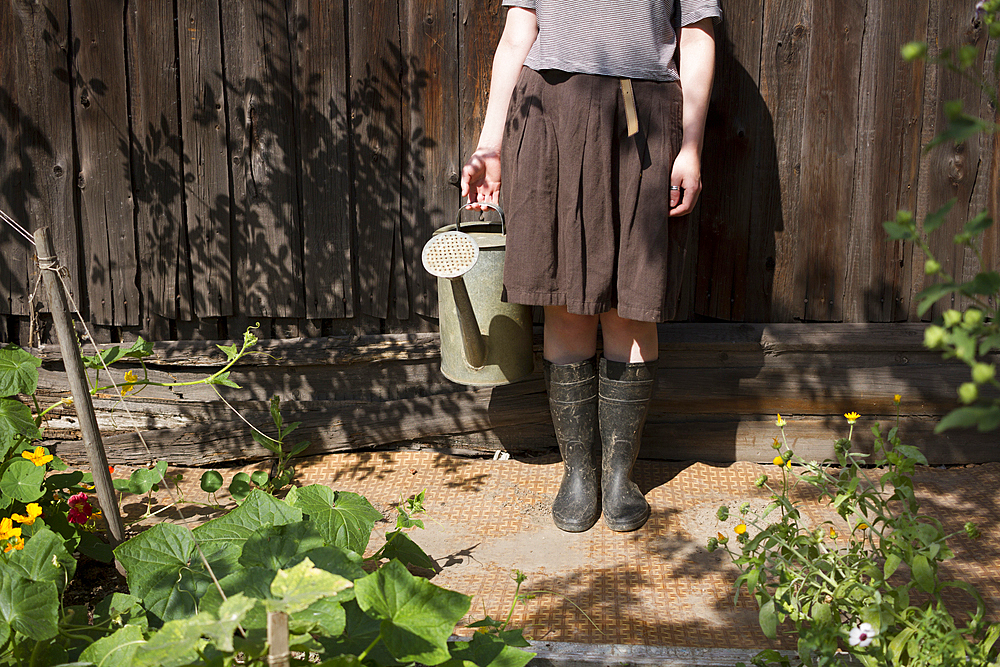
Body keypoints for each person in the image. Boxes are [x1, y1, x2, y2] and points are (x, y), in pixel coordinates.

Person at [461, 1, 719, 532]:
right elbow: (516, 38)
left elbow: (696, 39)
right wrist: (490, 146)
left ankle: (619, 475)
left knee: (632, 303)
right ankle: (579, 474)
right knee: (565, 301)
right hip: (550, 115)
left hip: (642, 122)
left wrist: (691, 144)